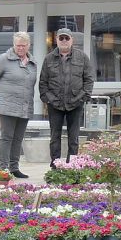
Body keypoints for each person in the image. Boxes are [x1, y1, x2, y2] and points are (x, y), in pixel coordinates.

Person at [38, 28, 93, 166]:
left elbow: (88, 80)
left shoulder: (82, 57)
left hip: (75, 103)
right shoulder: (48, 58)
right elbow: (43, 82)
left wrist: (83, 97)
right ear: (56, 40)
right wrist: (48, 99)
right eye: (61, 38)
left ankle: (72, 166)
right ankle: (55, 165)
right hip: (54, 104)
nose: (63, 41)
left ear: (72, 40)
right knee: (54, 137)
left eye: (66, 38)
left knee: (73, 138)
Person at [0, 32, 37, 178]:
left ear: (28, 45)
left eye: (23, 45)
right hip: (6, 106)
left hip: (24, 105)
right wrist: (2, 94)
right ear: (13, 45)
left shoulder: (32, 62)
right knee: (7, 137)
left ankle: (14, 167)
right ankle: (3, 169)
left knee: (18, 138)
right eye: (17, 45)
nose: (20, 48)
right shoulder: (4, 59)